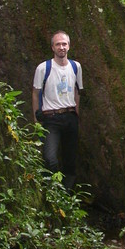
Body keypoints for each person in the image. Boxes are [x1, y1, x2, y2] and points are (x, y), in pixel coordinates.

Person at [32, 31, 83, 191]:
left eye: (64, 44)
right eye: (58, 44)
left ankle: (65, 195)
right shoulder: (43, 68)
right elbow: (35, 92)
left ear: (69, 46)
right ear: (52, 47)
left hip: (70, 117)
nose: (61, 47)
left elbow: (77, 91)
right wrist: (36, 118)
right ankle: (52, 191)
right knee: (50, 158)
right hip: (51, 118)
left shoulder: (76, 66)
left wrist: (77, 114)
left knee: (70, 160)